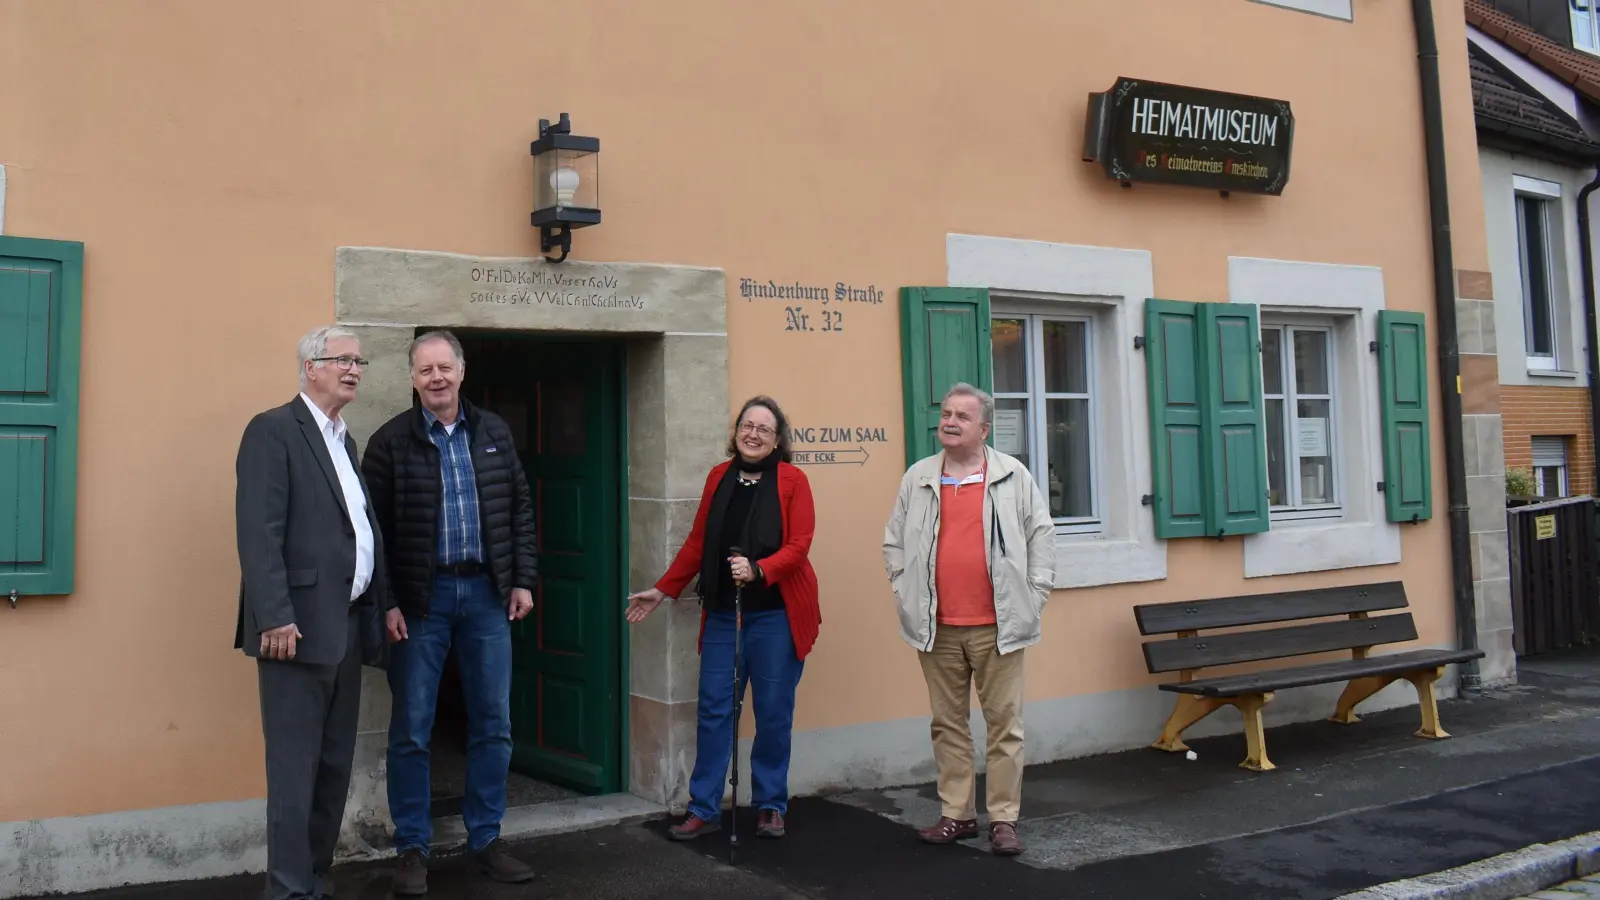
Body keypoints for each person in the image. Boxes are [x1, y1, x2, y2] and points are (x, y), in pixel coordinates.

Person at [361, 330, 537, 894]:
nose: (436, 378)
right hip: (421, 601)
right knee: (412, 727)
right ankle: (412, 847)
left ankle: (485, 839)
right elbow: (372, 532)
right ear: (412, 378)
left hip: (486, 595)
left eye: (445, 367)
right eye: (424, 370)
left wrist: (522, 580)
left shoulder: (493, 432)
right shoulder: (390, 442)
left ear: (462, 371)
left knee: (494, 722)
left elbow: (520, 509)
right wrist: (386, 599)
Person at [235, 324, 392, 900]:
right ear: (310, 367)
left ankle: (316, 880)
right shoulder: (273, 431)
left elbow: (359, 534)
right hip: (293, 632)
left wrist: (379, 604)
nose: (354, 369)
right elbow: (259, 531)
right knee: (295, 775)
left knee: (332, 768)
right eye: (342, 359)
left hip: (345, 627)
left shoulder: (343, 441)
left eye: (359, 361)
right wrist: (273, 614)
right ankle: (288, 890)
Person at [626, 396, 820, 841]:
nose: (753, 435)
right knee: (713, 711)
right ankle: (704, 806)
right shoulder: (720, 477)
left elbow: (799, 545)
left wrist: (759, 569)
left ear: (778, 439)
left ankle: (771, 804)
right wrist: (663, 589)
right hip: (722, 616)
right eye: (746, 426)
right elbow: (699, 542)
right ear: (736, 432)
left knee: (773, 714)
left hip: (774, 617)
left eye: (763, 429)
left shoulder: (793, 481)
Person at [881, 382, 1055, 857]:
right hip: (936, 627)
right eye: (946, 413)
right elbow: (893, 541)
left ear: (983, 428)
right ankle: (956, 814)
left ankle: (1003, 819)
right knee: (948, 724)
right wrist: (903, 590)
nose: (950, 421)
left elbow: (1042, 535)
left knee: (1005, 726)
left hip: (999, 626)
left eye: (962, 415)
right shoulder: (918, 477)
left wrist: (1034, 595)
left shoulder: (1012, 476)